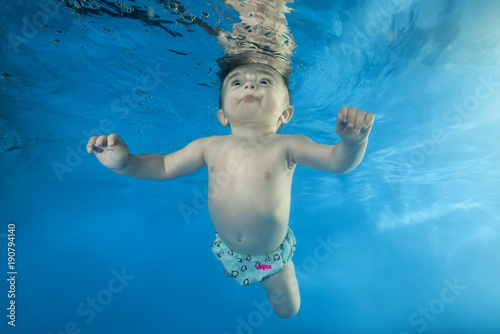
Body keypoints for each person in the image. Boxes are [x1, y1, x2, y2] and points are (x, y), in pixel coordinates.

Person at [86, 62, 375, 318]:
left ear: (285, 113)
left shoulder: (288, 144)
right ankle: (237, 268)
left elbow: (337, 163)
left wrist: (352, 144)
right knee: (230, 270)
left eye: (264, 82)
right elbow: (162, 166)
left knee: (289, 311)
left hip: (269, 258)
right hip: (226, 248)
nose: (249, 84)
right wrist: (125, 163)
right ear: (222, 115)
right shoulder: (208, 145)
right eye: (236, 82)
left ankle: (283, 272)